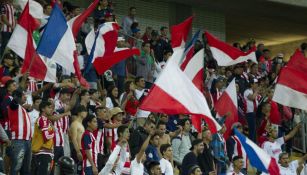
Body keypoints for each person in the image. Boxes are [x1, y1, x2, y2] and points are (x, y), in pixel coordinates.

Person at [8, 89, 32, 175]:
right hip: (18, 141)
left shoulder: (22, 109)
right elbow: (14, 101)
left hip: (28, 141)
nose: (25, 97)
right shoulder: (13, 106)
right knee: (16, 168)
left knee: (26, 170)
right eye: (23, 95)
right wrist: (17, 94)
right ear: (17, 97)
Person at [31, 101, 55, 175]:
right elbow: (46, 136)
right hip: (43, 153)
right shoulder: (43, 119)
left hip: (45, 152)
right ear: (43, 109)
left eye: (52, 108)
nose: (51, 109)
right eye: (49, 107)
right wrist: (53, 131)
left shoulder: (46, 120)